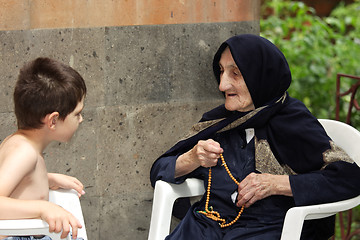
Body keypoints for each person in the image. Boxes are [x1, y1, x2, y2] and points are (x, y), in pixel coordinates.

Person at [150, 34, 360, 239]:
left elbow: (349, 178)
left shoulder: (293, 122)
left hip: (268, 229)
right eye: (221, 71)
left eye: (236, 73)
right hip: (205, 226)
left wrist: (275, 184)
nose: (222, 85)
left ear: (260, 75)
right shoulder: (218, 121)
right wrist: (192, 158)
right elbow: (159, 170)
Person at [0, 57, 87, 240]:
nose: (81, 119)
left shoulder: (20, 143)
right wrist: (43, 208)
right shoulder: (24, 153)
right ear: (53, 120)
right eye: (77, 114)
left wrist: (47, 179)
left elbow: (17, 184)